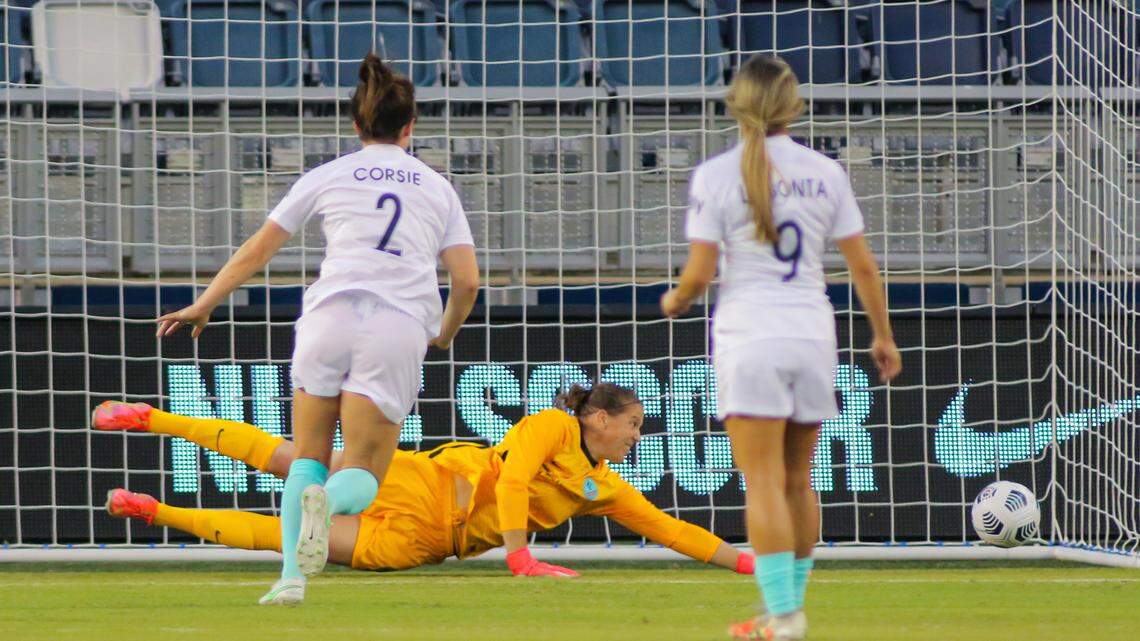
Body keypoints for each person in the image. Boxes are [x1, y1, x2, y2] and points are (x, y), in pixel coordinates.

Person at [153, 54, 479, 605]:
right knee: (363, 472)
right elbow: (467, 281)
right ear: (410, 127)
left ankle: (290, 580)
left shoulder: (327, 175)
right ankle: (329, 502)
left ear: (356, 126)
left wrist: (204, 304)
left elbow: (259, 247)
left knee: (305, 456)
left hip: (327, 317)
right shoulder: (437, 187)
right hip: (396, 325)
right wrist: (444, 333)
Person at [660, 54, 902, 640]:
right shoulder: (826, 171)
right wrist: (883, 335)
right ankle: (786, 613)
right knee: (799, 480)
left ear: (735, 104)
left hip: (751, 336)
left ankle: (783, 616)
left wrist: (674, 300)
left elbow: (699, 274)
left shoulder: (717, 174)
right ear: (794, 106)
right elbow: (863, 266)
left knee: (763, 482)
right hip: (814, 332)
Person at [94, 383, 755, 577]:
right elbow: (518, 477)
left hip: (426, 542)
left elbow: (671, 529)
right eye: (634, 424)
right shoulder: (550, 427)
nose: (638, 437)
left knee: (295, 541)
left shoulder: (605, 485)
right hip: (423, 484)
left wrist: (744, 562)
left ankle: (153, 510)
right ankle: (151, 417)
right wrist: (521, 552)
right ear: (600, 417)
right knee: (294, 459)